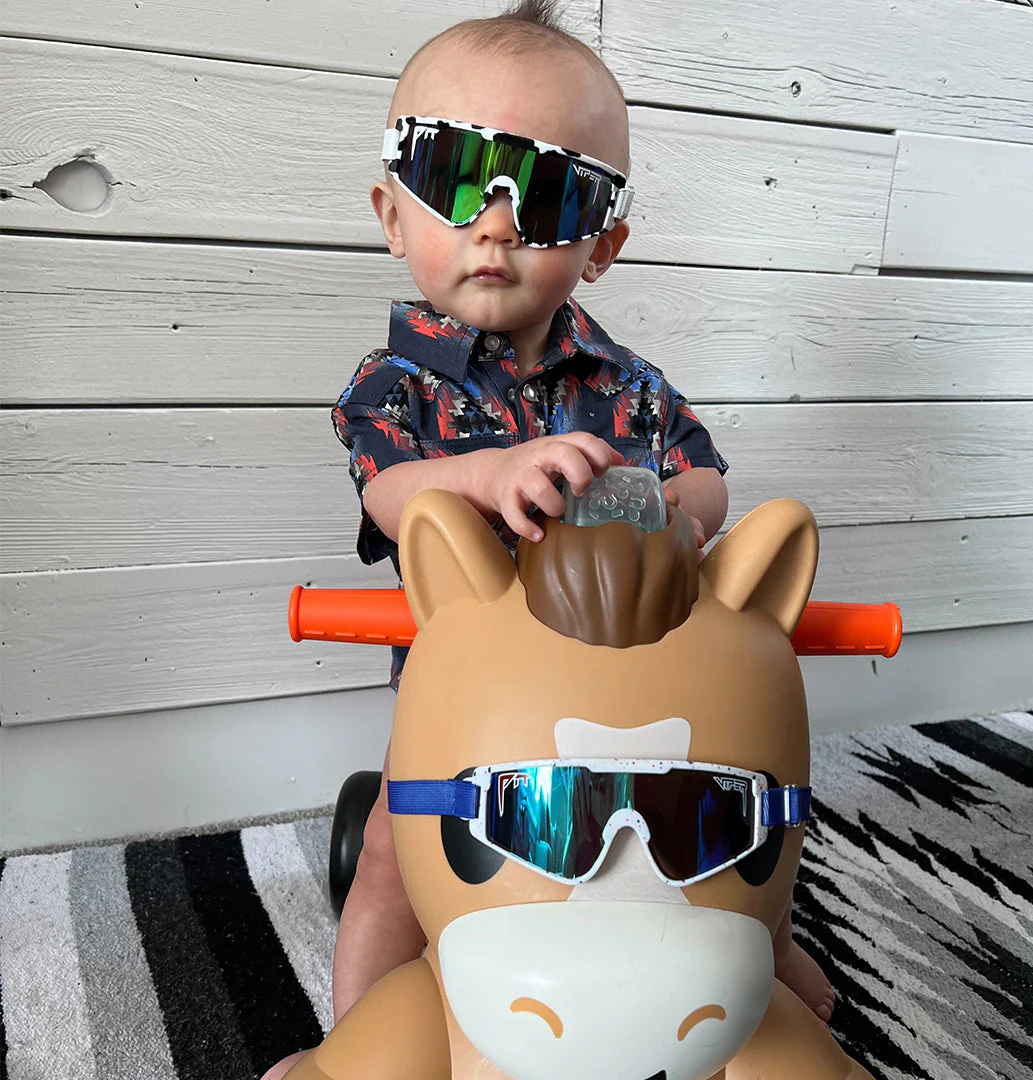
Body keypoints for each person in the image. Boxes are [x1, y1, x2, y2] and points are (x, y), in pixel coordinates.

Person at [262, 3, 830, 1076]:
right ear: (392, 215)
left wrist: (674, 517)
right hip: (475, 719)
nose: (498, 222)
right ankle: (360, 1030)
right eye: (455, 175)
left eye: (550, 192)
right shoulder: (391, 387)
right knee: (388, 849)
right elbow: (393, 496)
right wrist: (485, 476)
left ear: (602, 243)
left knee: (723, 823)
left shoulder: (629, 387)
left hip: (643, 697)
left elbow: (706, 474)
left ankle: (763, 948)